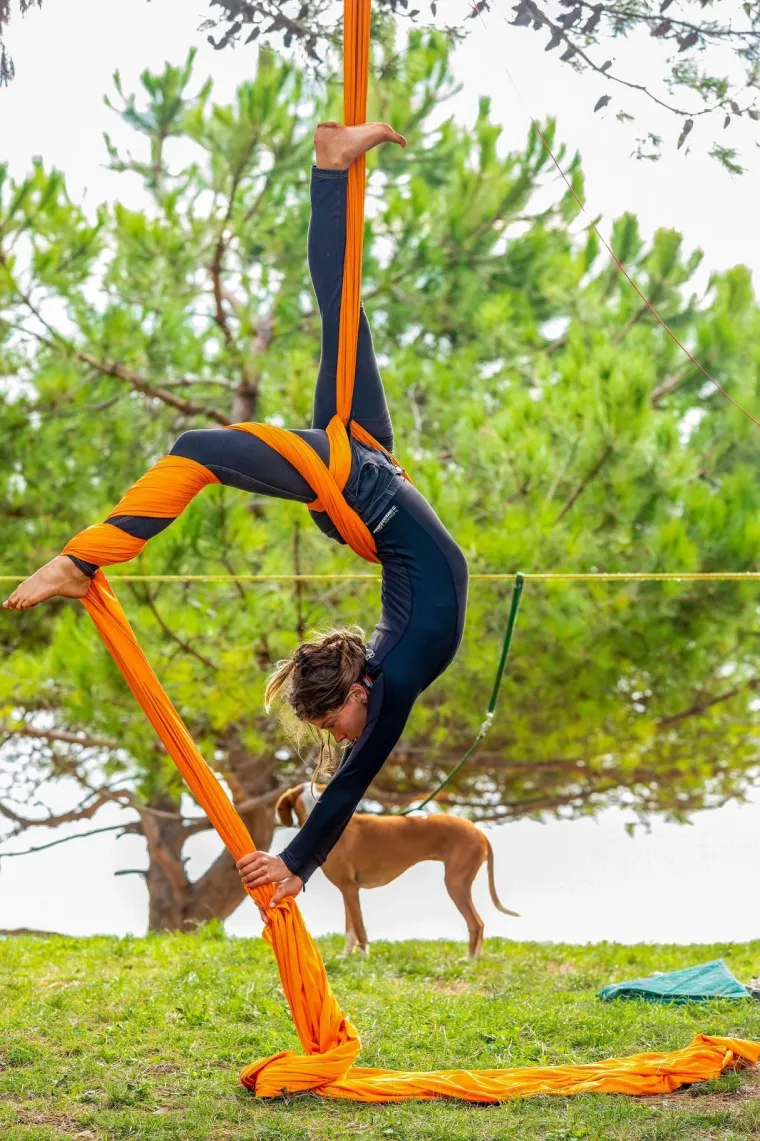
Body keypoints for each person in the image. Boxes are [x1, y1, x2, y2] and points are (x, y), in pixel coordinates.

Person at [3, 121, 469, 911]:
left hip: (363, 483)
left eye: (333, 725)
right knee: (320, 335)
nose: (345, 737)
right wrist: (297, 865)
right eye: (338, 724)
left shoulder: (387, 673)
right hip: (362, 479)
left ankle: (85, 558)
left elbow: (348, 779)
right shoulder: (388, 691)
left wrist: (294, 861)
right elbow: (351, 785)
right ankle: (82, 558)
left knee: (247, 402)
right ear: (359, 692)